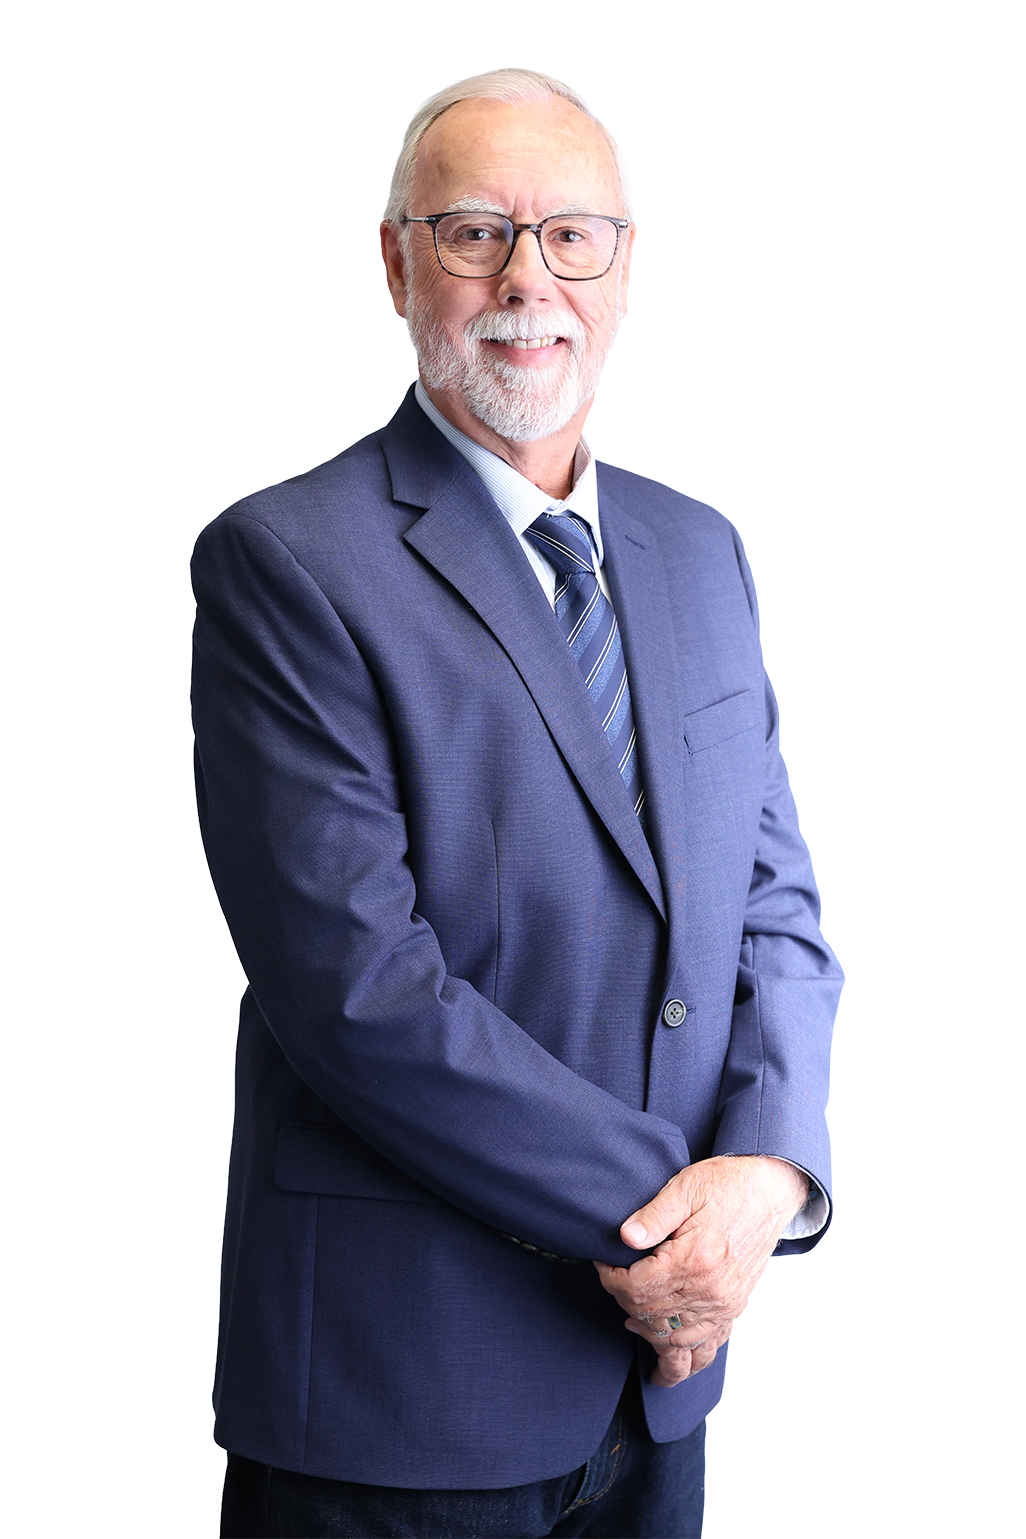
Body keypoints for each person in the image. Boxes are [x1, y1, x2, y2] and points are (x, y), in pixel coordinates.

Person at [191, 68, 843, 1539]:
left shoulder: (701, 553)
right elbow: (357, 989)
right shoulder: (286, 562)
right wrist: (678, 1219)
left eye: (571, 236)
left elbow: (776, 909)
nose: (527, 279)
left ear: (624, 267)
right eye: (475, 230)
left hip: (661, 1392)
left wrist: (768, 1172)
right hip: (397, 1392)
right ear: (397, 263)